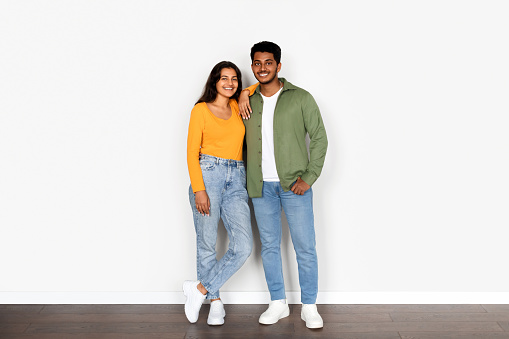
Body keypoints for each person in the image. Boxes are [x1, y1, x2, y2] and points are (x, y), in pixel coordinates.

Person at [238, 41, 328, 329]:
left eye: (268, 62)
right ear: (252, 66)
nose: (262, 68)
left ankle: (309, 306)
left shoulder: (301, 98)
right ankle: (278, 302)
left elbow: (320, 138)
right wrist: (244, 92)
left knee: (305, 247)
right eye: (257, 63)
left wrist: (310, 177)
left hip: (294, 186)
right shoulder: (247, 101)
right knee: (270, 246)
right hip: (260, 188)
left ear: (278, 65)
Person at [184, 61, 253, 325]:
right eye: (224, 78)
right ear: (214, 81)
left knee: (243, 245)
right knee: (207, 243)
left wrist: (245, 92)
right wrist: (199, 190)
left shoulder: (237, 106)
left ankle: (199, 289)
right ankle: (214, 303)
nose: (230, 83)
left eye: (235, 79)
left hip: (236, 177)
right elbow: (191, 152)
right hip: (208, 174)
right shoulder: (201, 110)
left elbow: (259, 84)